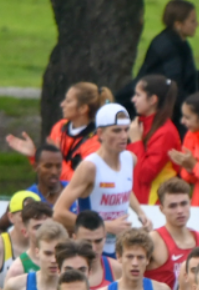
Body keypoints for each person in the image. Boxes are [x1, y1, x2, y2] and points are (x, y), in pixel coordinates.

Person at [53, 103, 154, 252]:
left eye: (126, 130)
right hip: (91, 250)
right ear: (100, 134)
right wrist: (106, 226)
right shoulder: (90, 167)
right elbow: (59, 213)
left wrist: (140, 212)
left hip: (120, 248)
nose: (124, 136)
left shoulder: (130, 159)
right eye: (116, 131)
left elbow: (123, 186)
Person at [126, 74, 182, 205]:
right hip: (136, 200)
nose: (133, 99)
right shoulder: (140, 124)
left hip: (153, 203)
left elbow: (145, 174)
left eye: (138, 95)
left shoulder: (165, 132)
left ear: (153, 100)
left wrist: (136, 142)